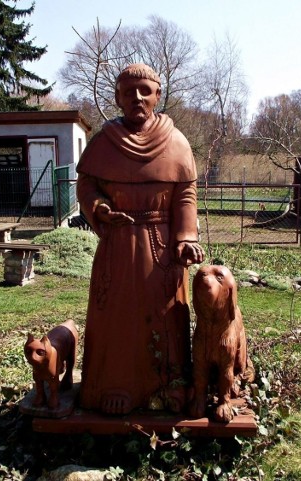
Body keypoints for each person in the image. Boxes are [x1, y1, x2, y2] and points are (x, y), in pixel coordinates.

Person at [76, 63, 204, 415]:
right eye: (129, 91)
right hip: (118, 244)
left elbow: (185, 192)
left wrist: (185, 237)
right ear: (117, 97)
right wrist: (99, 209)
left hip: (163, 248)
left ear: (157, 95)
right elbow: (86, 184)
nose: (137, 97)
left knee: (164, 314)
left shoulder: (176, 142)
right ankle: (113, 385)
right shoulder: (104, 142)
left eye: (145, 90)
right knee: (115, 314)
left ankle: (168, 387)